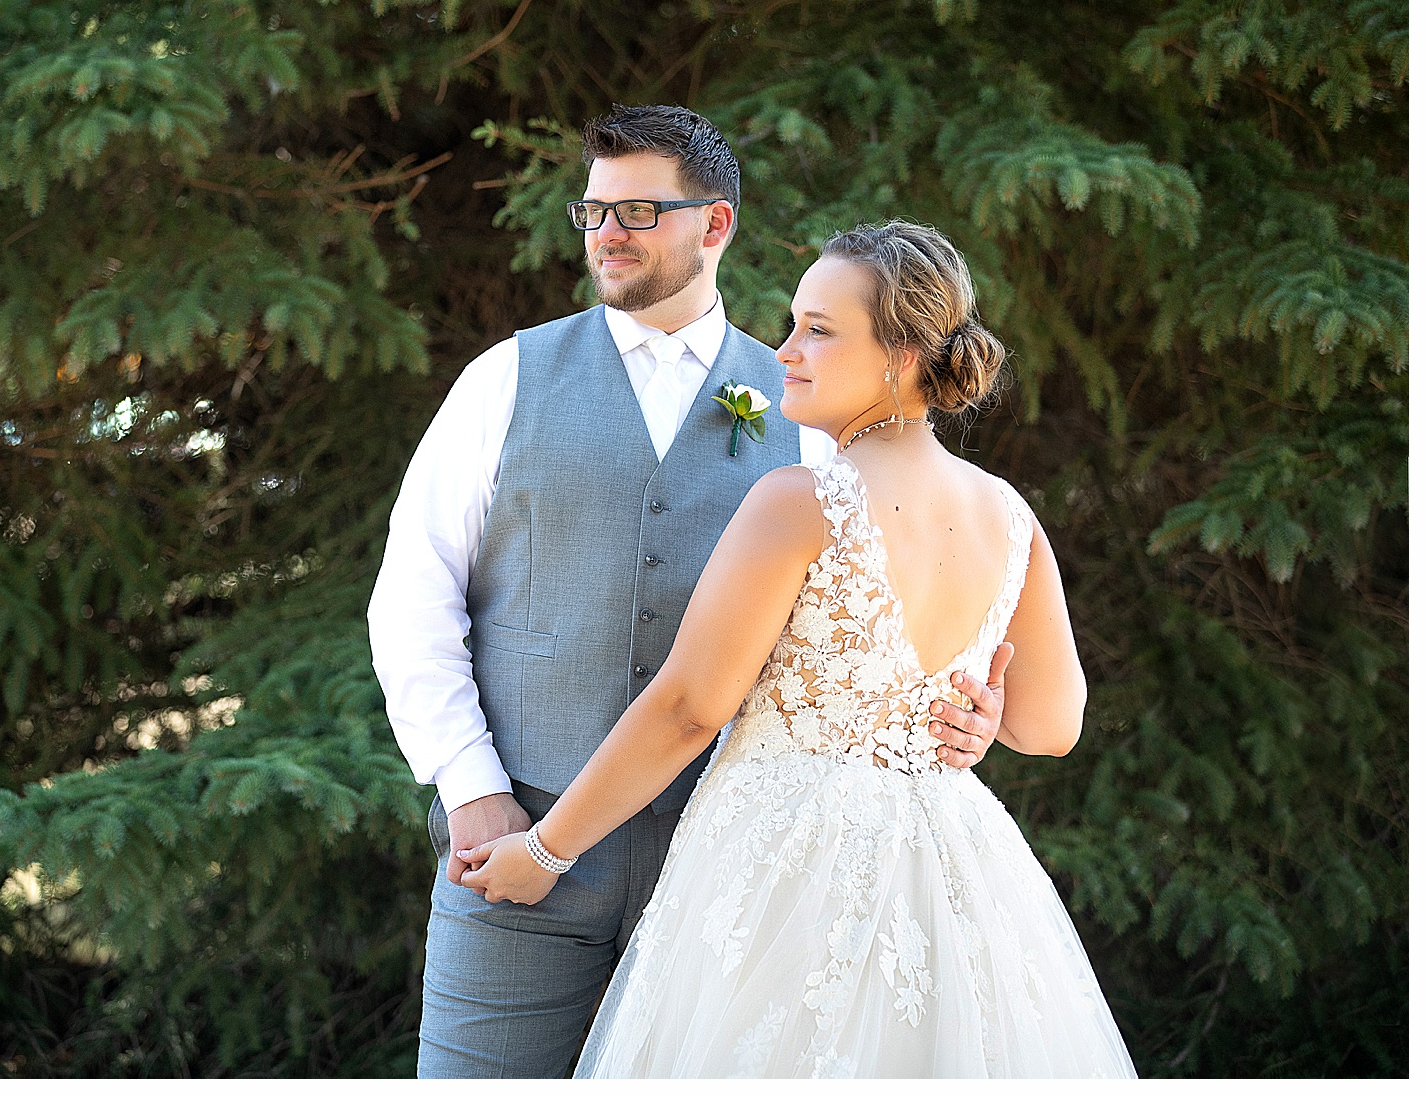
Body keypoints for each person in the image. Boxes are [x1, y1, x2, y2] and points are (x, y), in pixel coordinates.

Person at [368, 112, 1009, 1078]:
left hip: (725, 872)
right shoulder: (504, 378)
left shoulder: (804, 408)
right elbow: (412, 599)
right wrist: (473, 789)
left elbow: (877, 614)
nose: (605, 233)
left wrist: (962, 708)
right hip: (512, 850)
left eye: (635, 209)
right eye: (592, 209)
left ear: (715, 225)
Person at [463, 218, 1136, 1079]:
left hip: (788, 874)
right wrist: (984, 710)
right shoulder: (1010, 514)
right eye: (792, 323)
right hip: (955, 873)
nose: (784, 349)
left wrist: (546, 849)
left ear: (900, 355)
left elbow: (688, 706)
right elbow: (1050, 725)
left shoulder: (802, 500)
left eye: (818, 328)